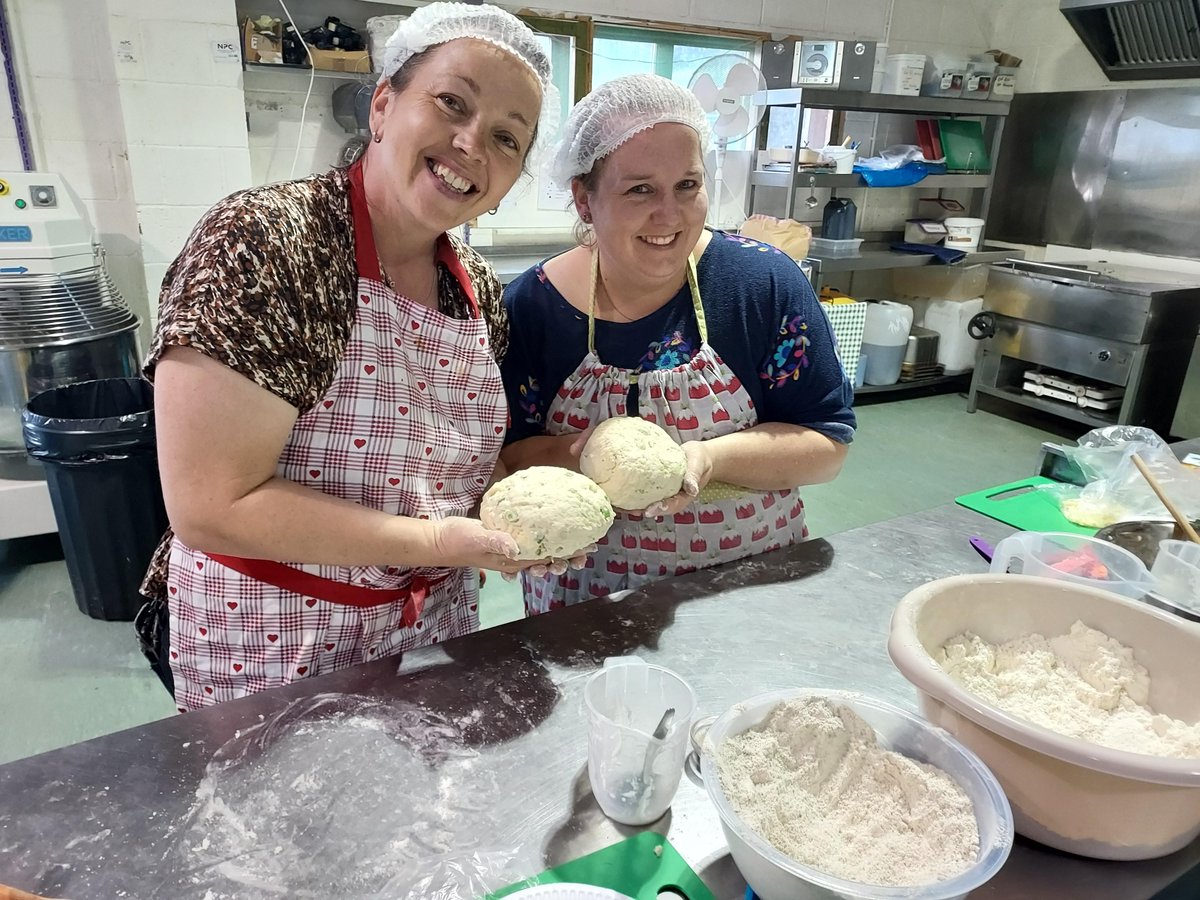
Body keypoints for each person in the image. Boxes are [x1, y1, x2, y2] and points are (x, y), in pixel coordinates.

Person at [135, 3, 559, 712]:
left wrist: (520, 525)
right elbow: (211, 504)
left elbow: (446, 477)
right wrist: (441, 543)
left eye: (507, 138)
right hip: (273, 640)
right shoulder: (267, 244)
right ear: (385, 104)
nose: (471, 144)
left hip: (427, 626)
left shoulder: (477, 292)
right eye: (451, 102)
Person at [500, 74, 855, 614]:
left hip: (748, 591)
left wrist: (708, 459)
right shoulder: (532, 307)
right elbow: (508, 455)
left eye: (687, 185)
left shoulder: (761, 285)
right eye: (639, 189)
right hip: (586, 607)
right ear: (583, 199)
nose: (669, 214)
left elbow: (825, 446)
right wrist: (591, 456)